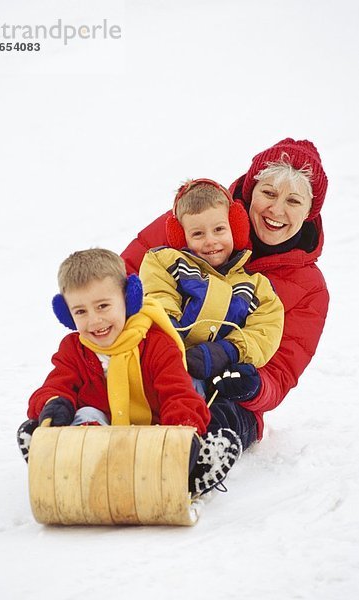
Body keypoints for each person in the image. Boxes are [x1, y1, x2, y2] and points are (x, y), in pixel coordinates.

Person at [121, 138, 329, 445]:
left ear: (309, 211)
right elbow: (121, 279)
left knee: (222, 418)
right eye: (268, 193)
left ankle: (194, 458)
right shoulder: (199, 217)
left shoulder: (309, 289)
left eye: (294, 201)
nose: (277, 210)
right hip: (155, 362)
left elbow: (281, 371)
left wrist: (252, 384)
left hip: (226, 396)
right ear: (250, 191)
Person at [17, 248, 242, 497]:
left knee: (192, 415)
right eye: (80, 311)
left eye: (103, 306)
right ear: (67, 314)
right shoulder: (74, 350)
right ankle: (72, 465)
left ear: (128, 298)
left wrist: (181, 435)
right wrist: (54, 405)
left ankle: (183, 472)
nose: (94, 321)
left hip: (152, 441)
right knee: (86, 412)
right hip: (101, 443)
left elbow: (178, 394)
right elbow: (55, 385)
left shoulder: (156, 344)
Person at [138, 178, 284, 454]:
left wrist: (227, 351)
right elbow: (157, 297)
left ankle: (195, 454)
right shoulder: (164, 261)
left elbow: (265, 332)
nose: (211, 242)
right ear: (182, 237)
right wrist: (170, 336)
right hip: (168, 363)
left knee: (213, 412)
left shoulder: (256, 287)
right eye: (198, 234)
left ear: (235, 228)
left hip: (217, 378)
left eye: (219, 229)